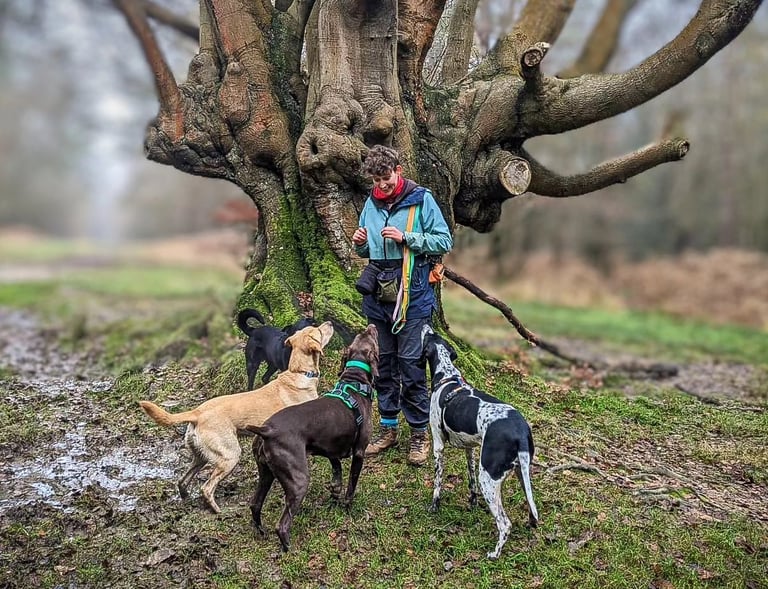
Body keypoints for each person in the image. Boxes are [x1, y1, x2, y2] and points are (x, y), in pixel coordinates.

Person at [352, 144, 453, 466]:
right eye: (376, 180)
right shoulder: (370, 202)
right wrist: (361, 244)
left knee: (411, 367)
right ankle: (388, 428)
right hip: (378, 296)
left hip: (413, 294)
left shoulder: (421, 199)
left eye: (386, 177)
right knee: (384, 366)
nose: (381, 185)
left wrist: (407, 237)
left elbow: (444, 240)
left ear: (398, 170)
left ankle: (420, 433)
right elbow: (368, 251)